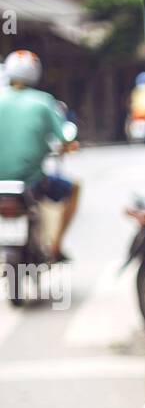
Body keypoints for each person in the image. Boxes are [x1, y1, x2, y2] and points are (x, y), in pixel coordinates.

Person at [0, 49, 79, 262]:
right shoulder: (44, 102)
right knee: (75, 188)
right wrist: (67, 145)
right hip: (32, 182)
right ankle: (55, 247)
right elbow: (65, 136)